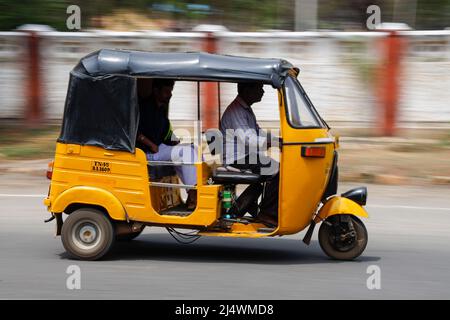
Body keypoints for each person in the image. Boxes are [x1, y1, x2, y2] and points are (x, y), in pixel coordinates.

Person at [219, 82, 279, 226]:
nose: (263, 91)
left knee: (274, 167)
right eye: (259, 87)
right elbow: (248, 139)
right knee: (277, 170)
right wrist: (271, 143)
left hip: (245, 156)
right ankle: (267, 213)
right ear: (246, 89)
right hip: (237, 159)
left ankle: (254, 206)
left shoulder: (245, 110)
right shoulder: (236, 111)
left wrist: (278, 140)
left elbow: (258, 133)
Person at [136, 78, 198, 209]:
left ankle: (194, 193)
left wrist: (175, 140)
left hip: (159, 148)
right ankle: (193, 196)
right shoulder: (143, 108)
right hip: (146, 153)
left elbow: (165, 135)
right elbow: (136, 133)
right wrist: (151, 145)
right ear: (156, 91)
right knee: (185, 152)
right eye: (166, 91)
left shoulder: (161, 111)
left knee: (192, 148)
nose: (170, 94)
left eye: (171, 91)